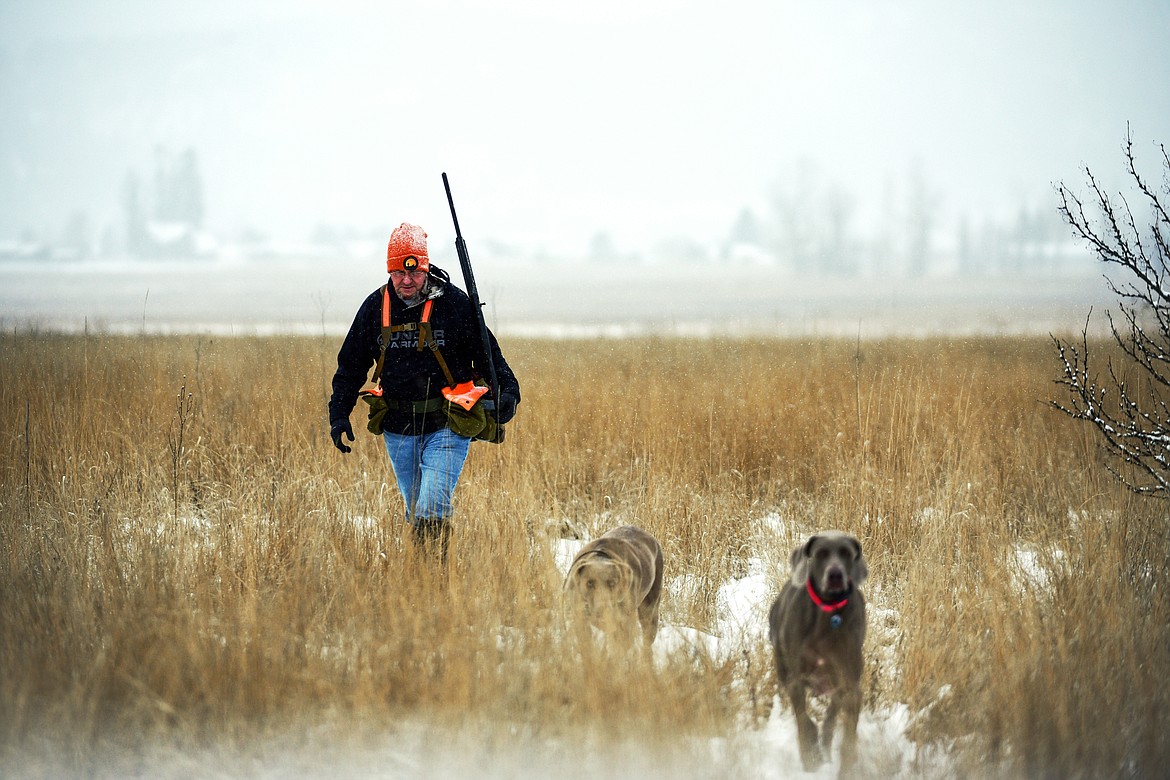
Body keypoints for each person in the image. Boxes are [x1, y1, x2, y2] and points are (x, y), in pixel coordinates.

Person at [328, 222, 520, 557]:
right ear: (389, 270)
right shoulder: (375, 308)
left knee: (432, 504)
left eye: (413, 273)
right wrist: (338, 414)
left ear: (426, 267)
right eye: (397, 272)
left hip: (449, 422)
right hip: (398, 426)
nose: (405, 281)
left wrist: (508, 392)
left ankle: (434, 572)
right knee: (417, 508)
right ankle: (425, 579)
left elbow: (490, 355)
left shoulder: (455, 304)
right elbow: (350, 366)